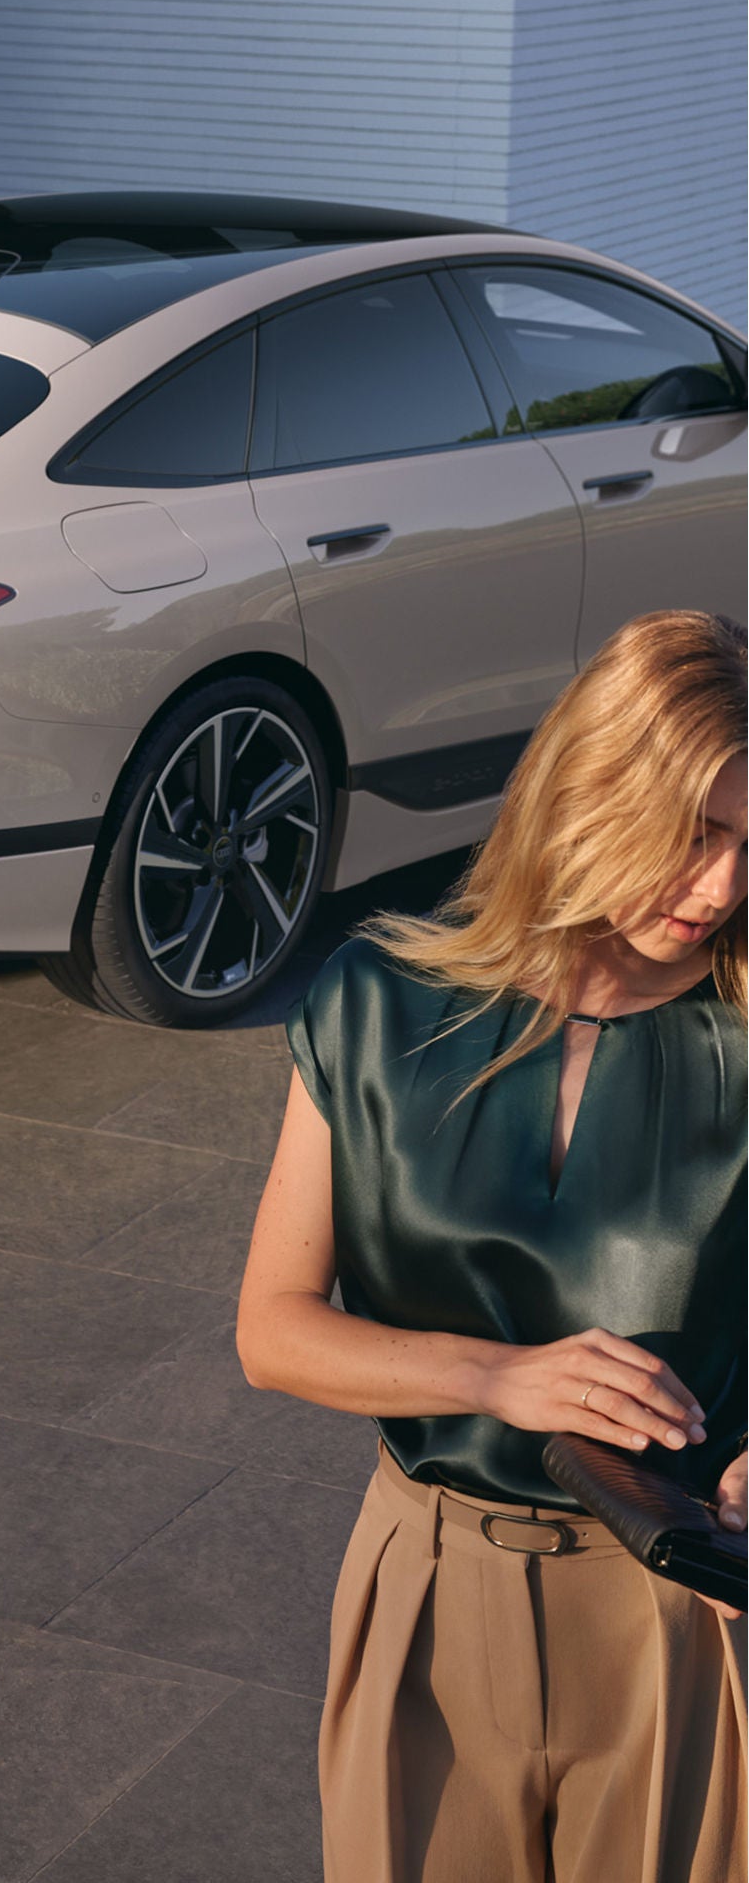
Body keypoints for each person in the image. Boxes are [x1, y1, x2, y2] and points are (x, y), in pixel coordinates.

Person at [236, 611, 747, 1883]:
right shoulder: (372, 1005)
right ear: (591, 792)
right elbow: (272, 1329)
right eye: (696, 831)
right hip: (425, 1583)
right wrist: (489, 1377)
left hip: (676, 1612)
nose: (723, 887)